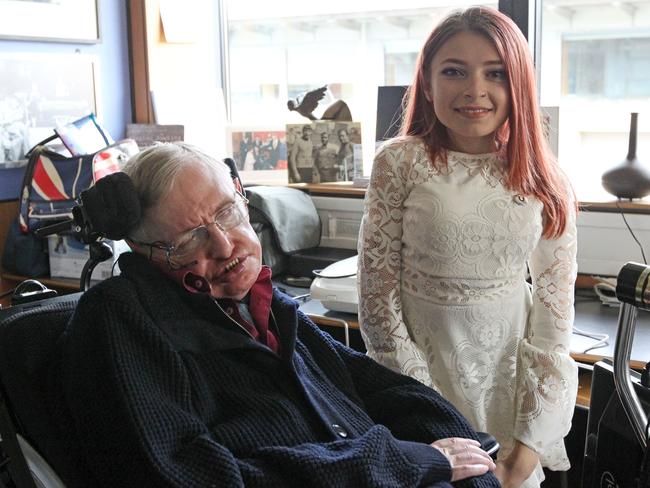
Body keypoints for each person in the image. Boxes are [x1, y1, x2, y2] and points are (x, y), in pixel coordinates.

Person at [56, 142, 499, 487]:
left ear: (241, 196)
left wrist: (470, 468)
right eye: (190, 240)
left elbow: (390, 395)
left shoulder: (265, 306)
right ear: (143, 252)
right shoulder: (118, 322)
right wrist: (406, 463)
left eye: (227, 213)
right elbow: (186, 478)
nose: (225, 246)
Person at [357, 7, 578, 488]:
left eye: (495, 73)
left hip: (509, 391)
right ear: (429, 83)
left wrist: (527, 447)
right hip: (420, 382)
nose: (474, 90)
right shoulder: (400, 162)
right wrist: (427, 403)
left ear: (517, 84)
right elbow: (377, 297)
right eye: (454, 70)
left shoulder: (545, 179)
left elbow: (554, 317)